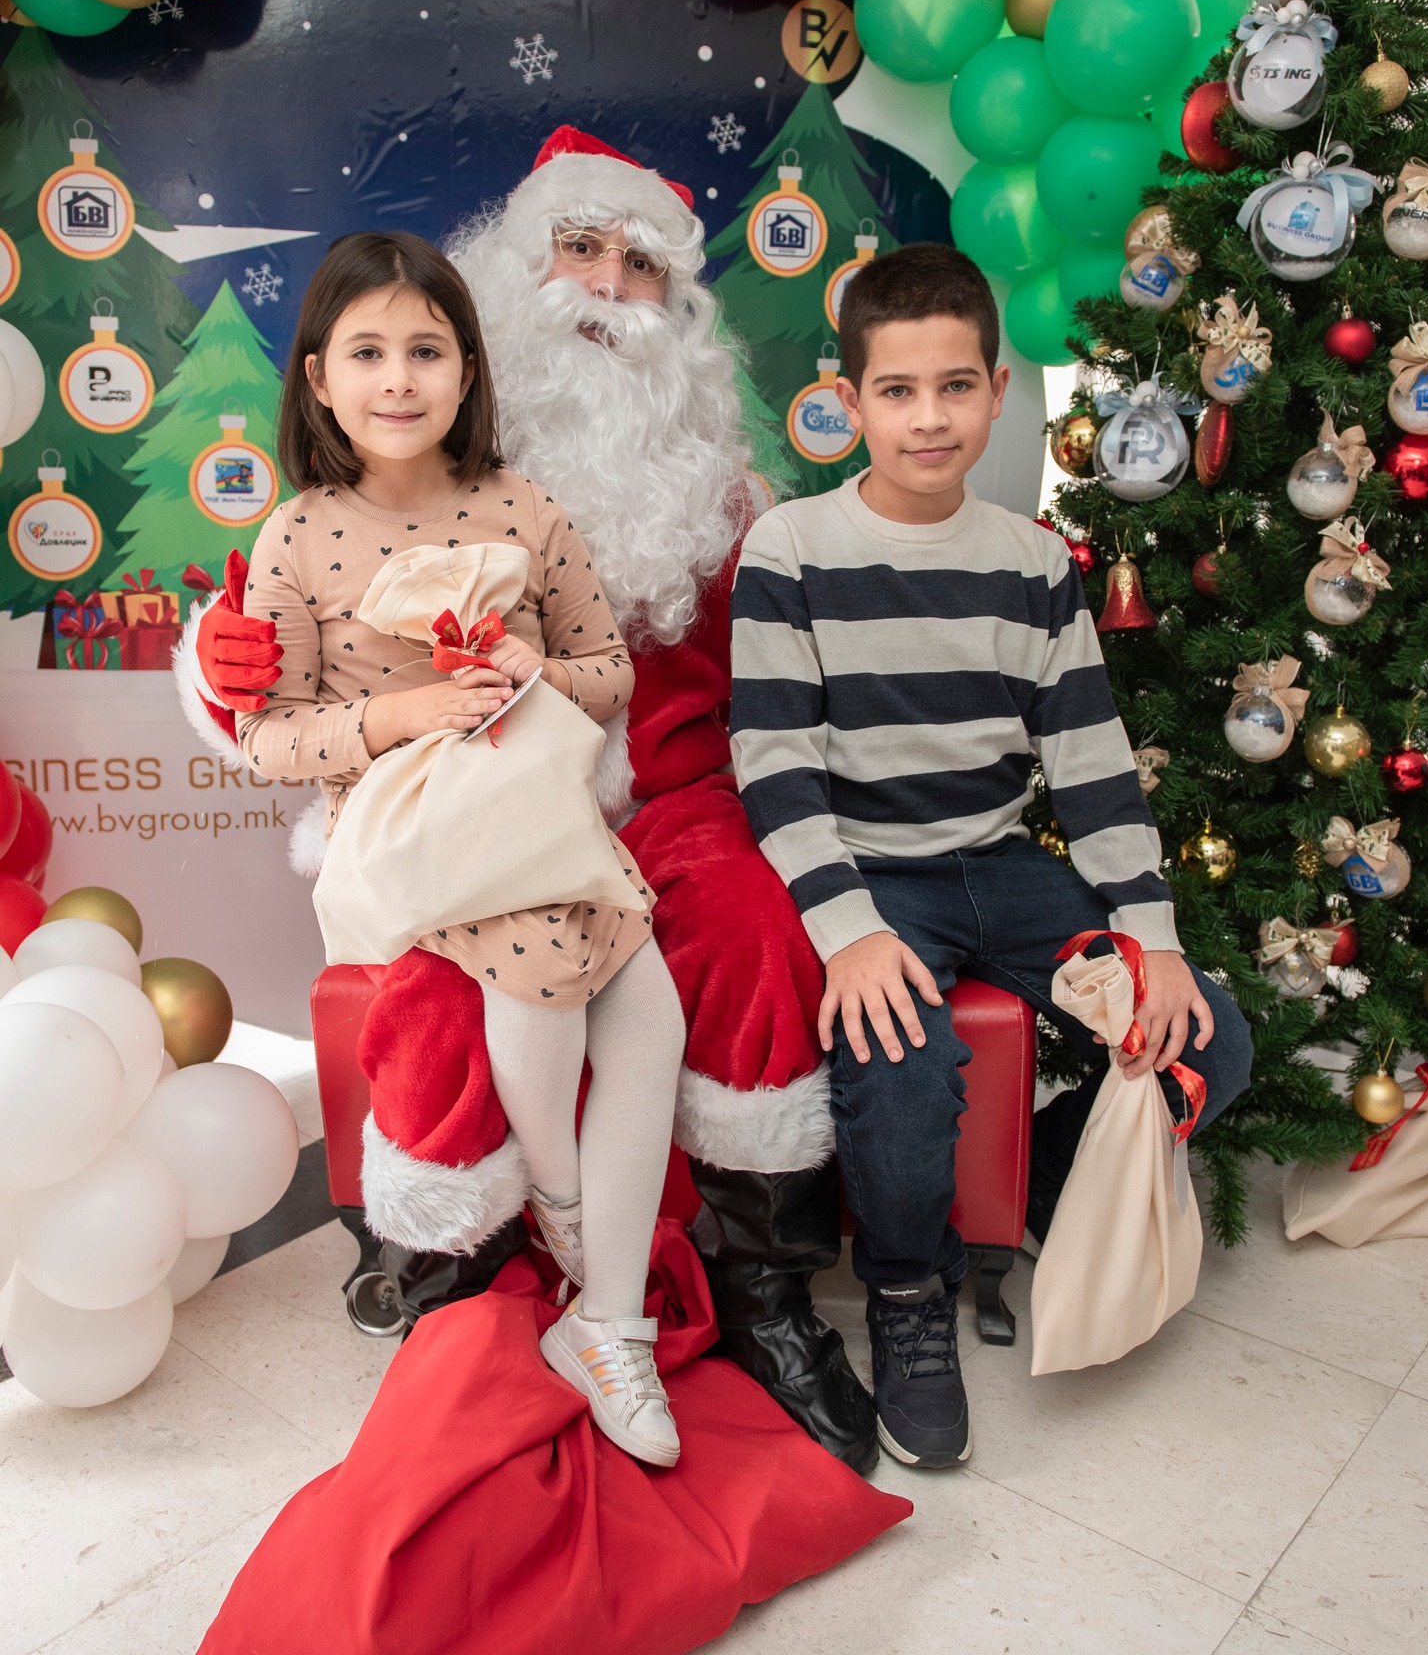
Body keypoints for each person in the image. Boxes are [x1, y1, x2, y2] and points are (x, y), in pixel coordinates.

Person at [178, 130, 878, 1474]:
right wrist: (226, 671)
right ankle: (463, 1297)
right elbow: (270, 689)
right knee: (440, 1012)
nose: (608, 288)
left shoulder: (720, 494)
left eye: (640, 265)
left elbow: (756, 686)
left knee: (744, 930)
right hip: (462, 813)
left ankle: (765, 1289)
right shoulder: (362, 496)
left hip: (671, 791)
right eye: (580, 249)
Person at [728, 243, 1254, 1470]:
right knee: (900, 1068)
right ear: (848, 401)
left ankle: (1038, 1188)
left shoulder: (1033, 561)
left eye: (954, 386)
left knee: (1212, 1040)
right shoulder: (790, 549)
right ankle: (908, 1293)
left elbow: (1090, 764)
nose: (928, 416)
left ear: (997, 390)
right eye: (896, 390)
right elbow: (774, 764)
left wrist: (1153, 939)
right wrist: (848, 931)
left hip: (1002, 866)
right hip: (871, 876)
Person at [235, 227, 687, 1467]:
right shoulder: (296, 535)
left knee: (649, 1016)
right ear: (319, 376)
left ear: (468, 368)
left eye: (426, 350)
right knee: (543, 969)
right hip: (418, 838)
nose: (398, 379)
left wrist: (537, 669)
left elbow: (609, 672)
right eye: (367, 352)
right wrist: (403, 714)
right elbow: (267, 738)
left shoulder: (523, 506)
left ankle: (604, 1324)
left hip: (535, 809)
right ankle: (579, 1226)